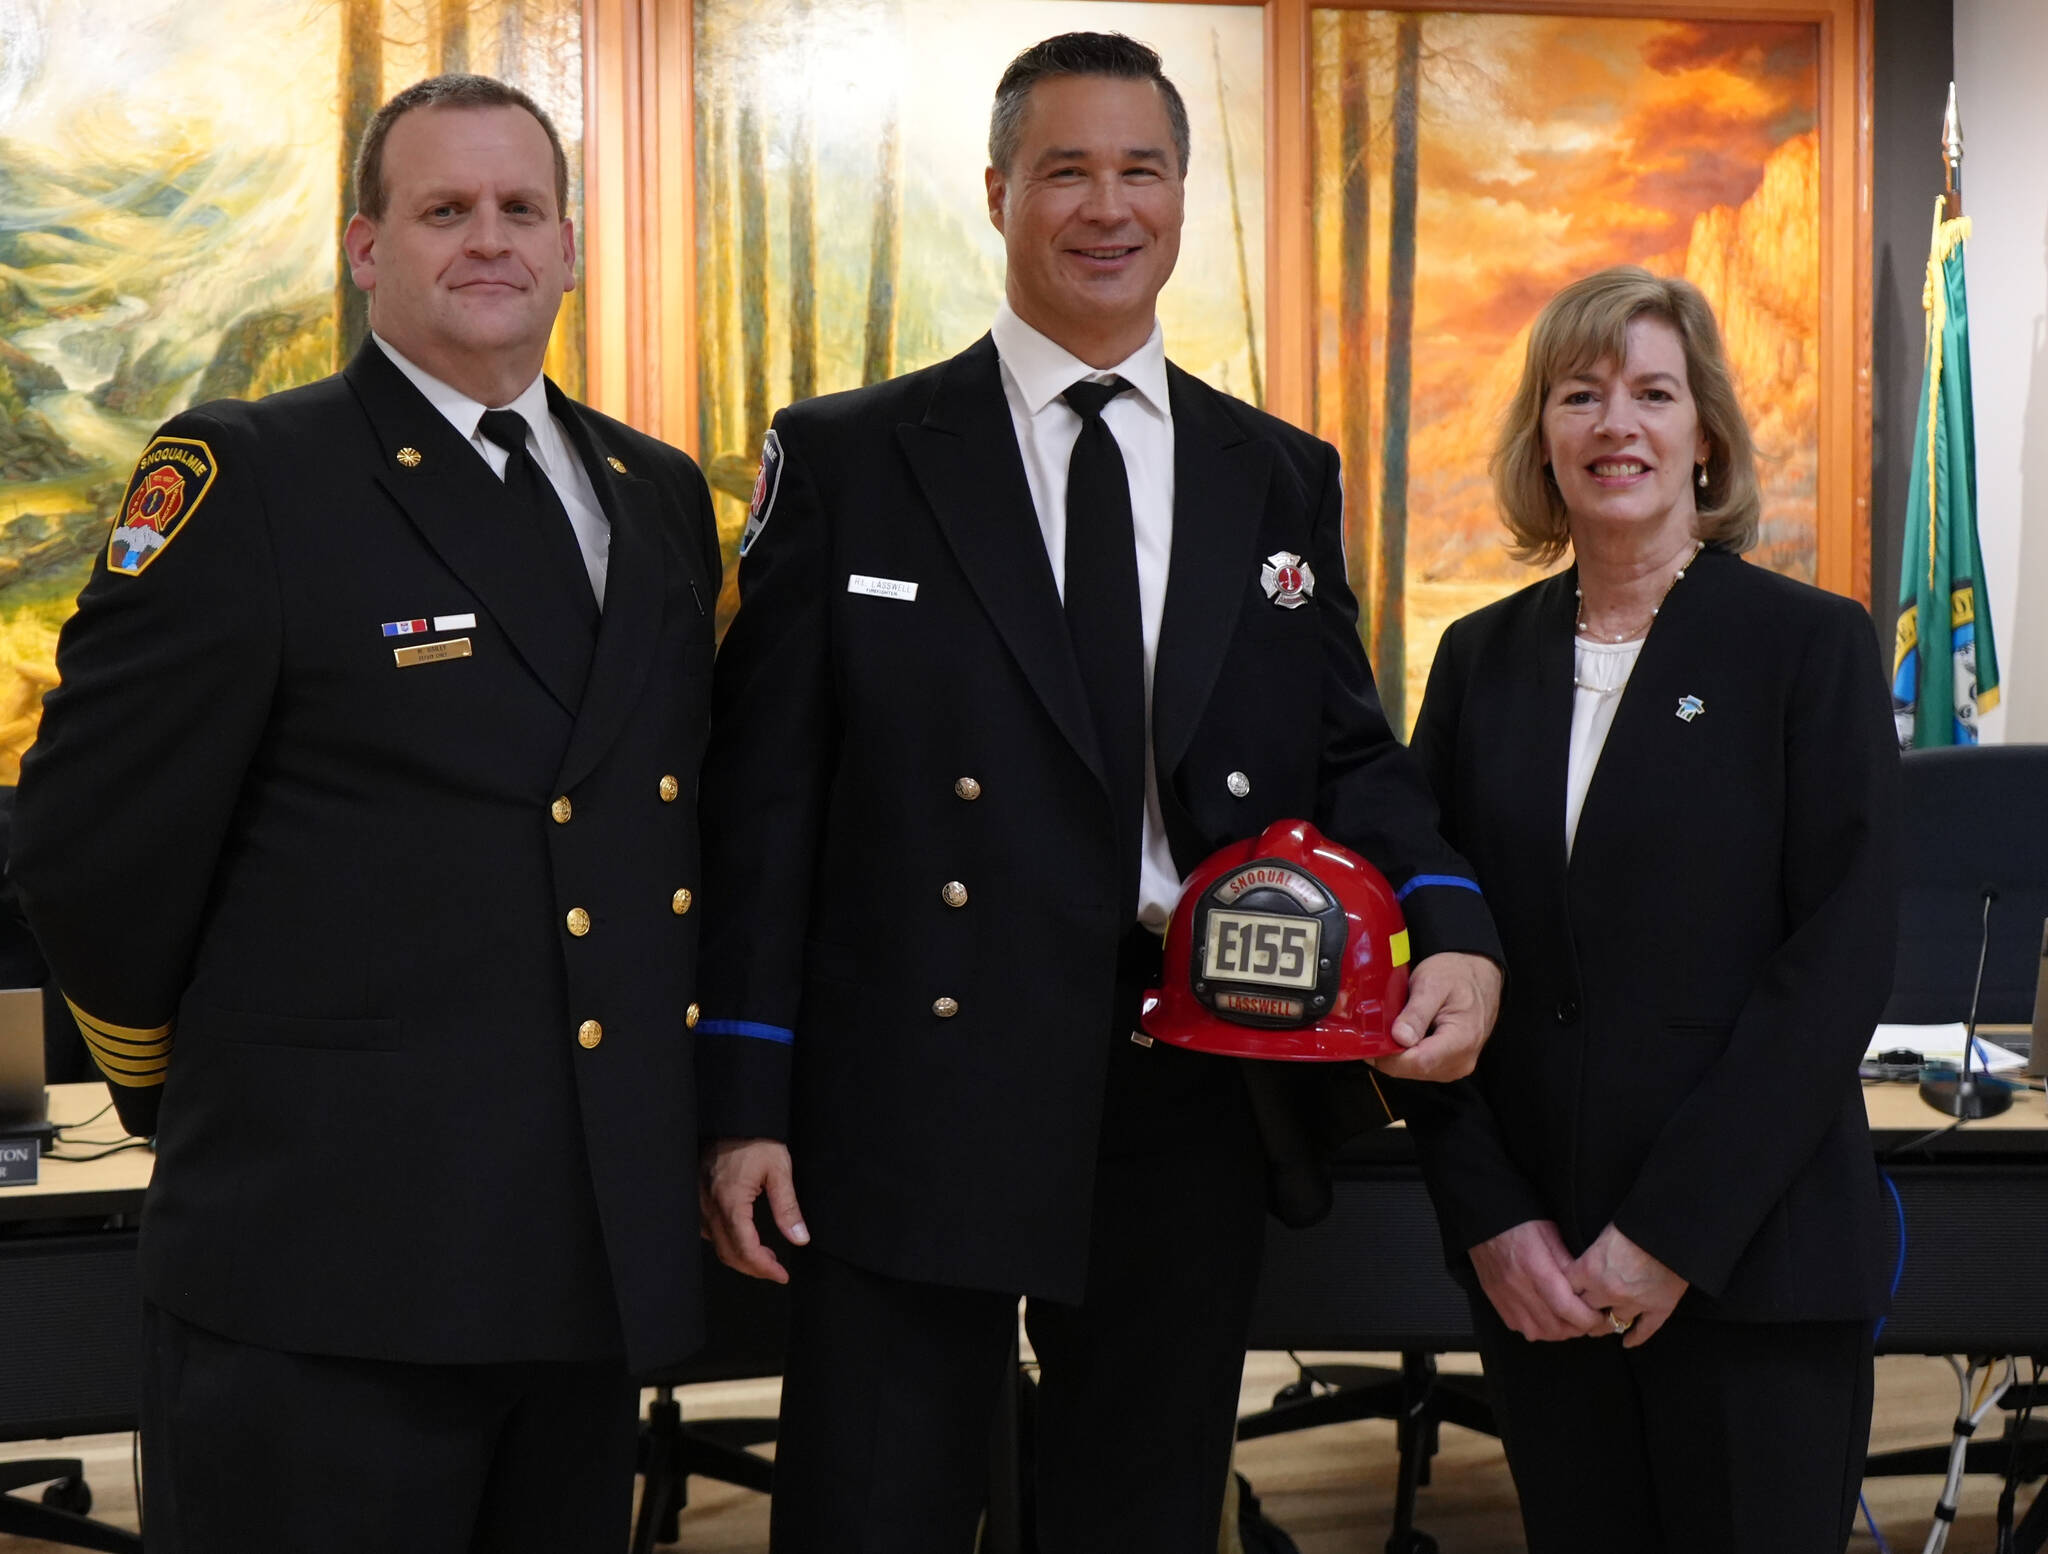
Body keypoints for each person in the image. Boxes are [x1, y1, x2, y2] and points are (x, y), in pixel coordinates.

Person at [695, 31, 1502, 1553]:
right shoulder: (852, 456)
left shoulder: (1276, 472)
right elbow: (766, 805)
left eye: (1141, 170)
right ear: (999, 191)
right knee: (878, 1505)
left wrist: (1453, 920)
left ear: (1184, 198)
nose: (1105, 205)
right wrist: (742, 1098)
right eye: (1066, 169)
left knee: (1138, 1504)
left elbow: (1344, 750)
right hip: (910, 1071)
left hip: (1180, 1069)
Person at [12, 74, 721, 1553]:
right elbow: (91, 836)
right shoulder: (252, 475)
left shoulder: (650, 495)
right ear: (362, 246)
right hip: (325, 1252)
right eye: (442, 208)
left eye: (521, 208)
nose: (488, 240)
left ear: (570, 248)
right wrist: (175, 1081)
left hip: (582, 1247)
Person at [1400, 266, 1900, 1553]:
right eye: (1579, 394)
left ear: (1704, 434)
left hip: (1750, 1259)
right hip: (1538, 1275)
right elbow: (1429, 950)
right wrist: (1490, 1222)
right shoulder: (1477, 660)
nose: (1614, 423)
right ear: (1541, 439)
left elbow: (1832, 966)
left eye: (1651, 392)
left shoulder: (1807, 646)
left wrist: (1666, 1234)